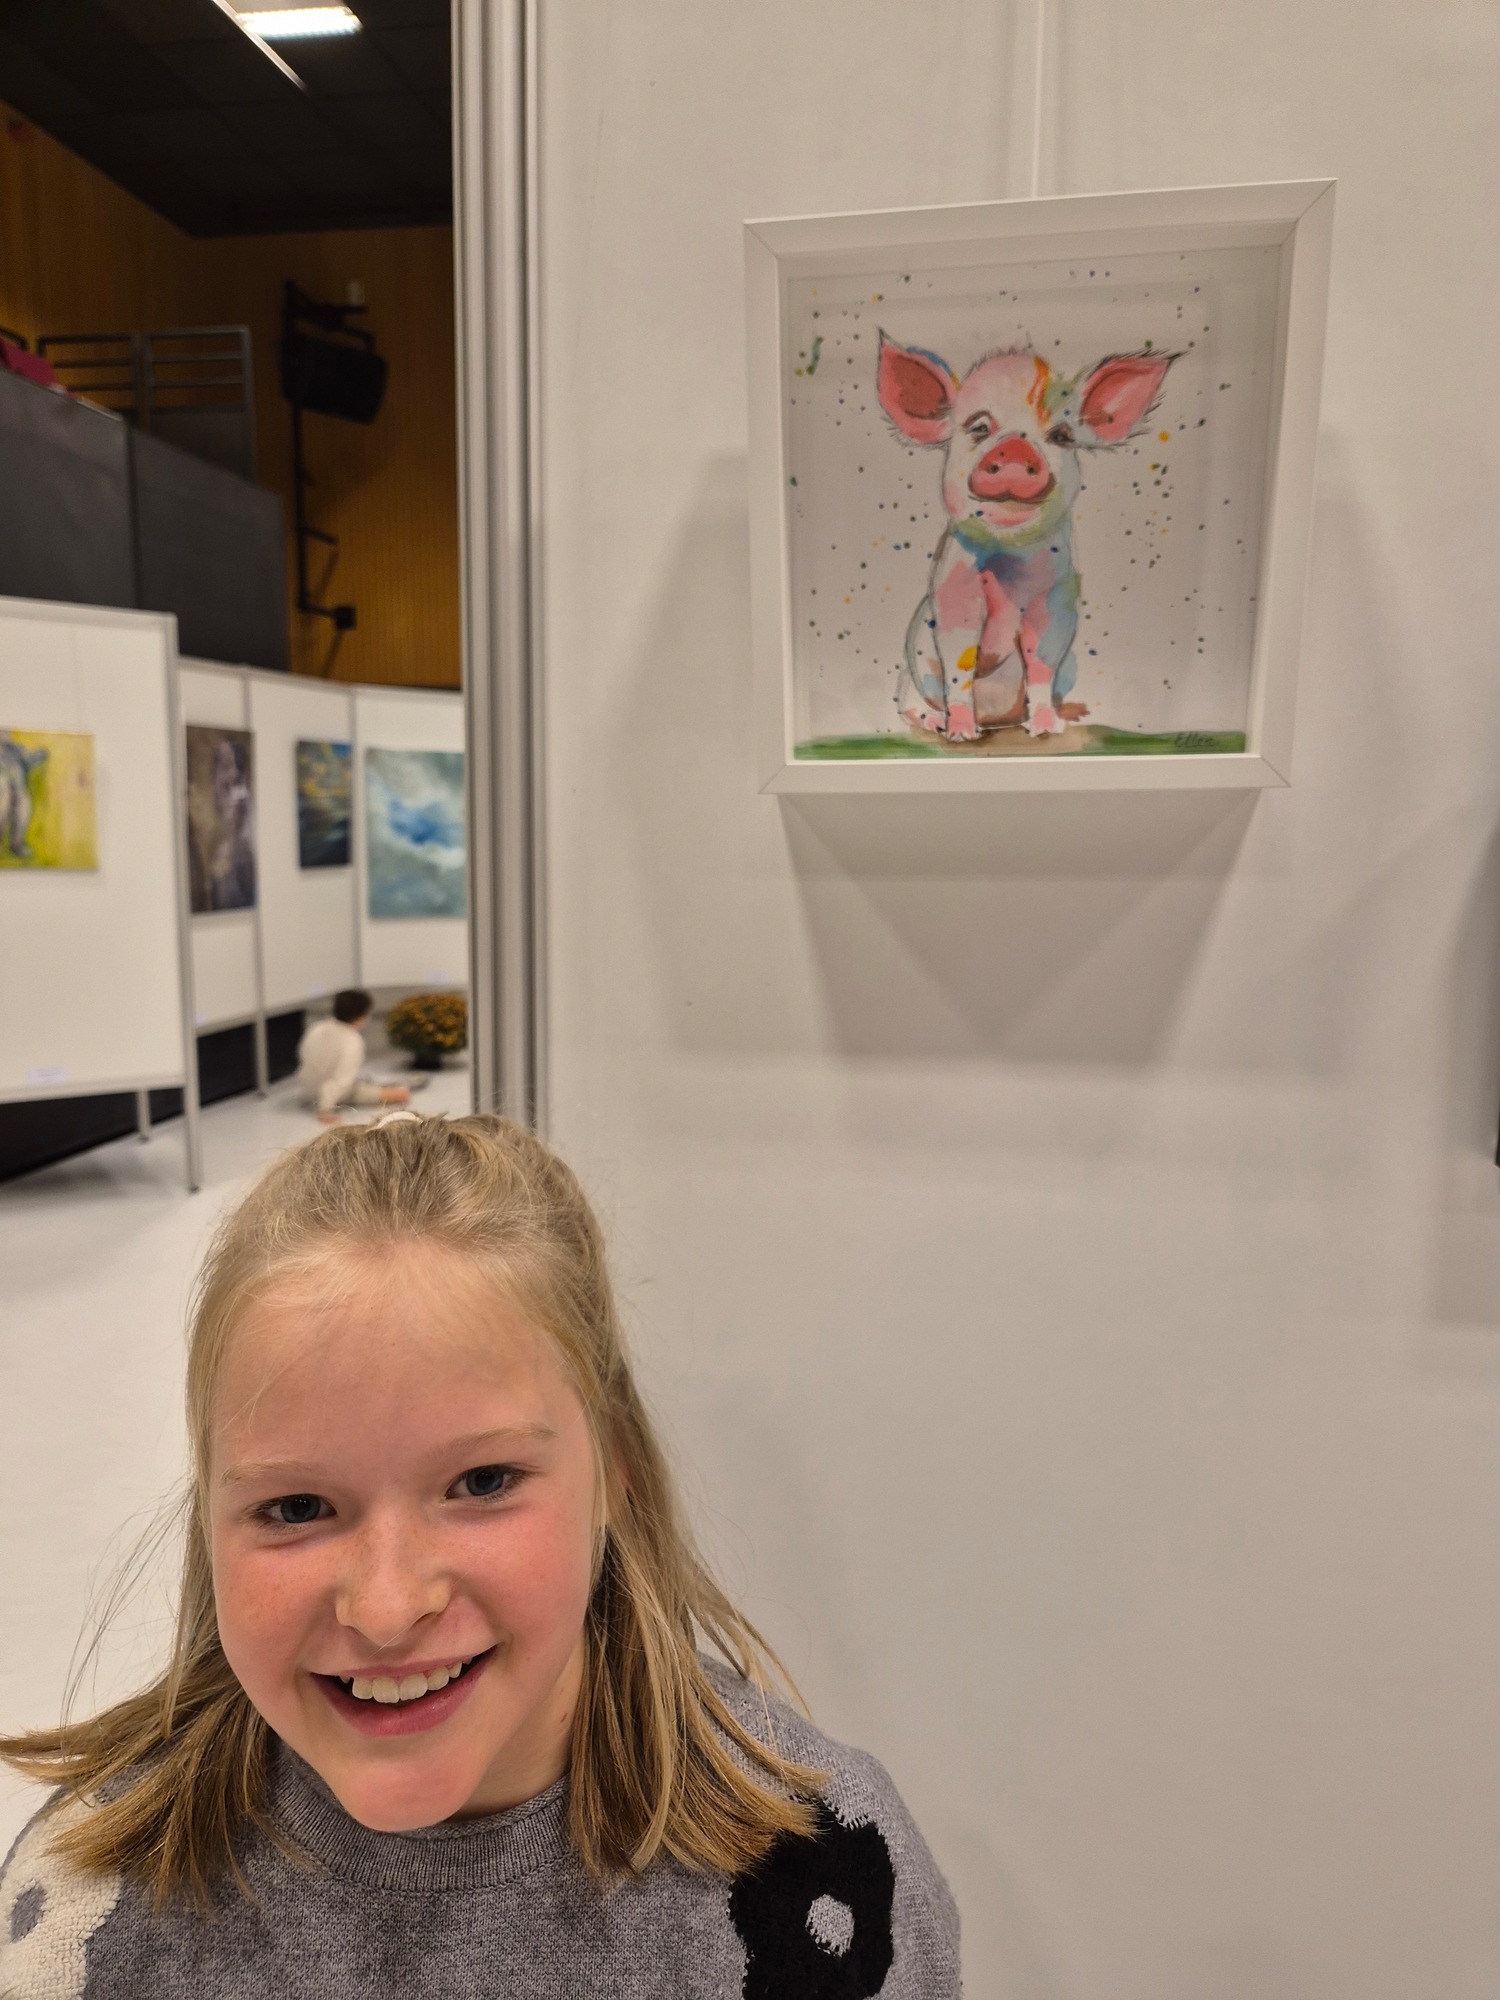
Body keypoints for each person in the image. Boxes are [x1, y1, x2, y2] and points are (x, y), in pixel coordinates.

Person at [0, 1114, 961, 1996]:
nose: (386, 1609)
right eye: (295, 1507)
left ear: (615, 1469)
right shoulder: (79, 1916)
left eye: (483, 1482)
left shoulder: (835, 1871)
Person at [295, 987, 414, 1124]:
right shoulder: (353, 1040)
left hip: (308, 1090)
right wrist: (325, 1109)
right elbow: (341, 1080)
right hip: (332, 1096)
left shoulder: (316, 1028)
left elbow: (303, 1058)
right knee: (402, 1094)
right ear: (360, 1016)